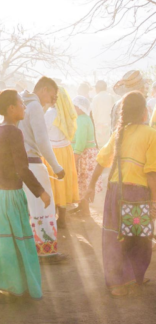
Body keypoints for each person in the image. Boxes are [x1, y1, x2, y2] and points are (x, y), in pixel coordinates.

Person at [0, 89, 50, 303]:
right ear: (11, 108)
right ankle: (15, 286)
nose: (24, 107)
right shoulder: (15, 132)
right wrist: (41, 192)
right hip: (8, 196)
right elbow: (22, 169)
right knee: (14, 242)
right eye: (21, 104)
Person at [85, 91, 156, 298]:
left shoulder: (119, 132)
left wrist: (90, 186)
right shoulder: (151, 134)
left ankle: (116, 284)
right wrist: (154, 200)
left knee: (115, 237)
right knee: (140, 238)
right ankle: (133, 278)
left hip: (115, 192)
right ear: (145, 112)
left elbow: (101, 161)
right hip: (137, 192)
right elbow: (151, 172)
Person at [18, 76, 66, 263]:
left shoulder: (21, 102)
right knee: (44, 207)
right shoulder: (35, 106)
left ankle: (29, 250)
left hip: (20, 164)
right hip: (33, 163)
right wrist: (57, 167)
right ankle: (46, 252)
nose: (51, 101)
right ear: (44, 90)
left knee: (27, 209)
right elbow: (42, 140)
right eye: (52, 96)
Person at [43, 87, 79, 228]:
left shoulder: (50, 113)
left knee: (52, 184)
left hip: (52, 152)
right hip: (66, 150)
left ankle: (51, 219)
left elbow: (42, 133)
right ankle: (62, 218)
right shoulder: (68, 113)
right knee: (63, 183)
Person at [71, 96, 101, 217]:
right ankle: (81, 207)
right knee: (82, 181)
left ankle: (84, 209)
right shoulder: (84, 118)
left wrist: (75, 155)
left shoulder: (81, 120)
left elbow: (81, 141)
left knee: (82, 181)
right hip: (86, 153)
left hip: (84, 154)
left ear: (79, 107)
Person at [91, 80, 115, 148]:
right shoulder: (111, 97)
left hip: (99, 126)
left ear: (97, 88)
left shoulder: (96, 98)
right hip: (109, 125)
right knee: (109, 146)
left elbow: (94, 114)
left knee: (101, 147)